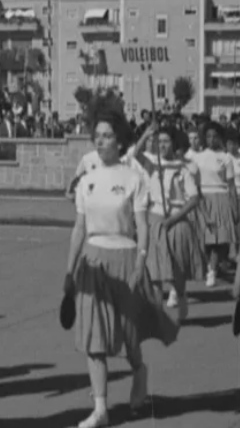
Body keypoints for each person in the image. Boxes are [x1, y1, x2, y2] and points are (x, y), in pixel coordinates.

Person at [64, 105, 178, 428]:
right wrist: (69, 271)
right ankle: (101, 409)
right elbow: (78, 229)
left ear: (119, 140)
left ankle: (139, 372)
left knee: (129, 338)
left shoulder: (133, 178)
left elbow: (141, 225)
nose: (100, 142)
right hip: (92, 260)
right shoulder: (86, 180)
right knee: (93, 338)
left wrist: (141, 262)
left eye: (107, 136)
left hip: (126, 258)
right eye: (97, 136)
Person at [132, 123, 201, 316]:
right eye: (159, 141)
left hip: (176, 221)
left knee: (177, 269)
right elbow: (135, 154)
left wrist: (173, 219)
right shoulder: (153, 164)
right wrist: (146, 134)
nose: (162, 145)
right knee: (154, 271)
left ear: (174, 143)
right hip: (155, 218)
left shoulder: (184, 168)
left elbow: (194, 199)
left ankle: (180, 294)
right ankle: (157, 313)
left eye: (166, 141)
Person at [188, 122, 237, 287]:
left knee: (221, 240)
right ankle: (210, 266)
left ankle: (213, 269)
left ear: (219, 137)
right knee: (206, 239)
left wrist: (235, 206)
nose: (211, 139)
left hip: (222, 198)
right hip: (203, 197)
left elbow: (230, 186)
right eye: (208, 136)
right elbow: (193, 182)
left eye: (214, 136)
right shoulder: (198, 157)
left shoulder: (226, 158)